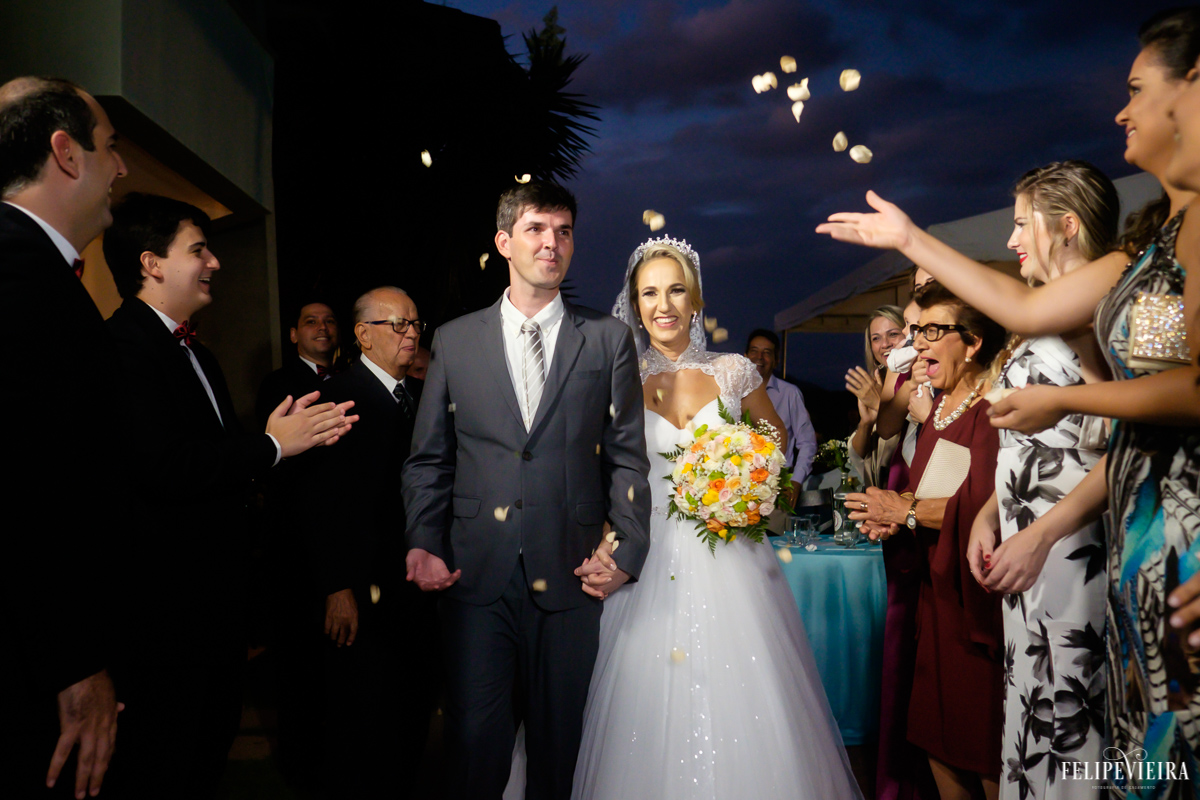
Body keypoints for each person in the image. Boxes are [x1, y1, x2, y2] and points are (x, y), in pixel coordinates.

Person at [819, 10, 1200, 794]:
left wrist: (1067, 406)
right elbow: (1044, 323)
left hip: (1154, 528)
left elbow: (1185, 388)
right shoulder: (1157, 248)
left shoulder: (1148, 258)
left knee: (1154, 751)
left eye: (1135, 88)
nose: (1121, 111)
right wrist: (910, 238)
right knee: (1107, 746)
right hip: (1122, 532)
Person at [568, 235, 862, 800]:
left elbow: (774, 447)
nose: (664, 305)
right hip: (645, 554)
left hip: (728, 551)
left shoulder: (733, 371)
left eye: (676, 290)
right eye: (649, 292)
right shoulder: (619, 375)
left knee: (747, 693)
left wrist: (748, 488)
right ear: (633, 302)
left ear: (696, 299)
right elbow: (600, 468)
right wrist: (609, 533)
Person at [101, 192, 357, 797]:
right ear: (152, 263)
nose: (214, 261)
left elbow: (225, 464)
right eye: (198, 249)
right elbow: (161, 465)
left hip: (216, 615)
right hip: (165, 618)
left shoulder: (200, 354)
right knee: (162, 766)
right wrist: (270, 446)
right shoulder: (122, 348)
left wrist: (292, 443)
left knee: (203, 761)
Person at [402, 181, 651, 799]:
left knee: (560, 750)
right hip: (474, 577)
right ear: (504, 241)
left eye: (564, 231)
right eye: (538, 228)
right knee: (473, 746)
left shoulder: (607, 339)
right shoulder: (456, 340)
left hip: (571, 571)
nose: (553, 243)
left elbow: (628, 460)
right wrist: (423, 540)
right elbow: (429, 458)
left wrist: (626, 551)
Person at [0, 76, 128, 800]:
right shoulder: (17, 272)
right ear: (66, 153)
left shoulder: (42, 271)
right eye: (109, 147)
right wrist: (75, 663)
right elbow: (22, 482)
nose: (121, 167)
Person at [847, 283, 1006, 800]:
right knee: (937, 744)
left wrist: (906, 509)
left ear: (973, 342)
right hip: (931, 598)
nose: (918, 344)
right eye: (917, 332)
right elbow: (929, 494)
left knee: (984, 750)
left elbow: (991, 507)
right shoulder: (937, 409)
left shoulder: (993, 410)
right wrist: (895, 515)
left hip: (975, 606)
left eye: (933, 332)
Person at [307, 286, 434, 798]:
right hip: (362, 590)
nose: (410, 334)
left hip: (416, 586)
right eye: (397, 325)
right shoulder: (336, 398)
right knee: (366, 722)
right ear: (362, 335)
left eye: (415, 324)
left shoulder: (423, 397)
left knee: (413, 713)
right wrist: (336, 586)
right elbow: (317, 505)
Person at [845, 305, 906, 488]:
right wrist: (866, 423)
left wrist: (879, 404)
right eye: (876, 338)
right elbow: (857, 455)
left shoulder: (920, 379)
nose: (885, 344)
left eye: (893, 334)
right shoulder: (877, 382)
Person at [746, 328, 817, 483]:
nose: (759, 357)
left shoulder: (789, 393)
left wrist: (796, 480)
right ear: (745, 357)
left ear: (776, 361)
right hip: (738, 485)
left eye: (767, 353)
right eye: (754, 351)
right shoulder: (733, 394)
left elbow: (807, 443)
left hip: (779, 484)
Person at [255, 300, 341, 426]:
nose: (323, 327)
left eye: (329, 321)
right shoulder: (275, 383)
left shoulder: (352, 377)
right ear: (294, 335)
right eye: (311, 321)